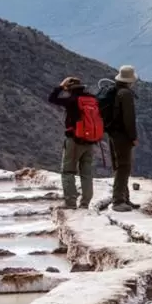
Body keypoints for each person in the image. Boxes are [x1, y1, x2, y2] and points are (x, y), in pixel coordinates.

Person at [47, 76, 100, 209]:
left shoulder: (72, 100)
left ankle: (71, 203)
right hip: (90, 142)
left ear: (69, 89)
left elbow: (52, 98)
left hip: (74, 141)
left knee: (68, 172)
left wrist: (60, 86)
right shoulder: (93, 100)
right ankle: (85, 203)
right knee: (86, 172)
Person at [107, 65, 140, 212]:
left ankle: (124, 198)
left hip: (113, 134)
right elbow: (129, 118)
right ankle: (118, 201)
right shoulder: (126, 94)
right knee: (124, 167)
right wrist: (133, 137)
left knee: (120, 166)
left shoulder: (115, 91)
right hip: (122, 136)